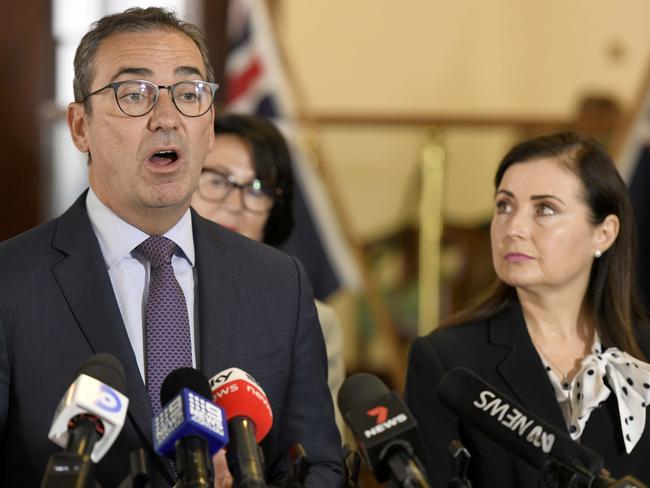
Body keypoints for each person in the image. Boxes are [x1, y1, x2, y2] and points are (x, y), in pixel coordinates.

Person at [0, 7, 342, 487]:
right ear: (80, 127)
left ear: (210, 127)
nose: (167, 118)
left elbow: (320, 465)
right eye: (134, 94)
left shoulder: (280, 283)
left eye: (188, 93)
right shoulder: (10, 284)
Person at [405, 132, 650, 487]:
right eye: (504, 205)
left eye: (544, 209)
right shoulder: (447, 360)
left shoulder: (643, 354)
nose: (514, 228)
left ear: (605, 233)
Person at [190, 113, 346, 433]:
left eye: (257, 188)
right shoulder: (138, 293)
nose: (236, 203)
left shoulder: (312, 320)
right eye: (218, 180)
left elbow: (322, 461)